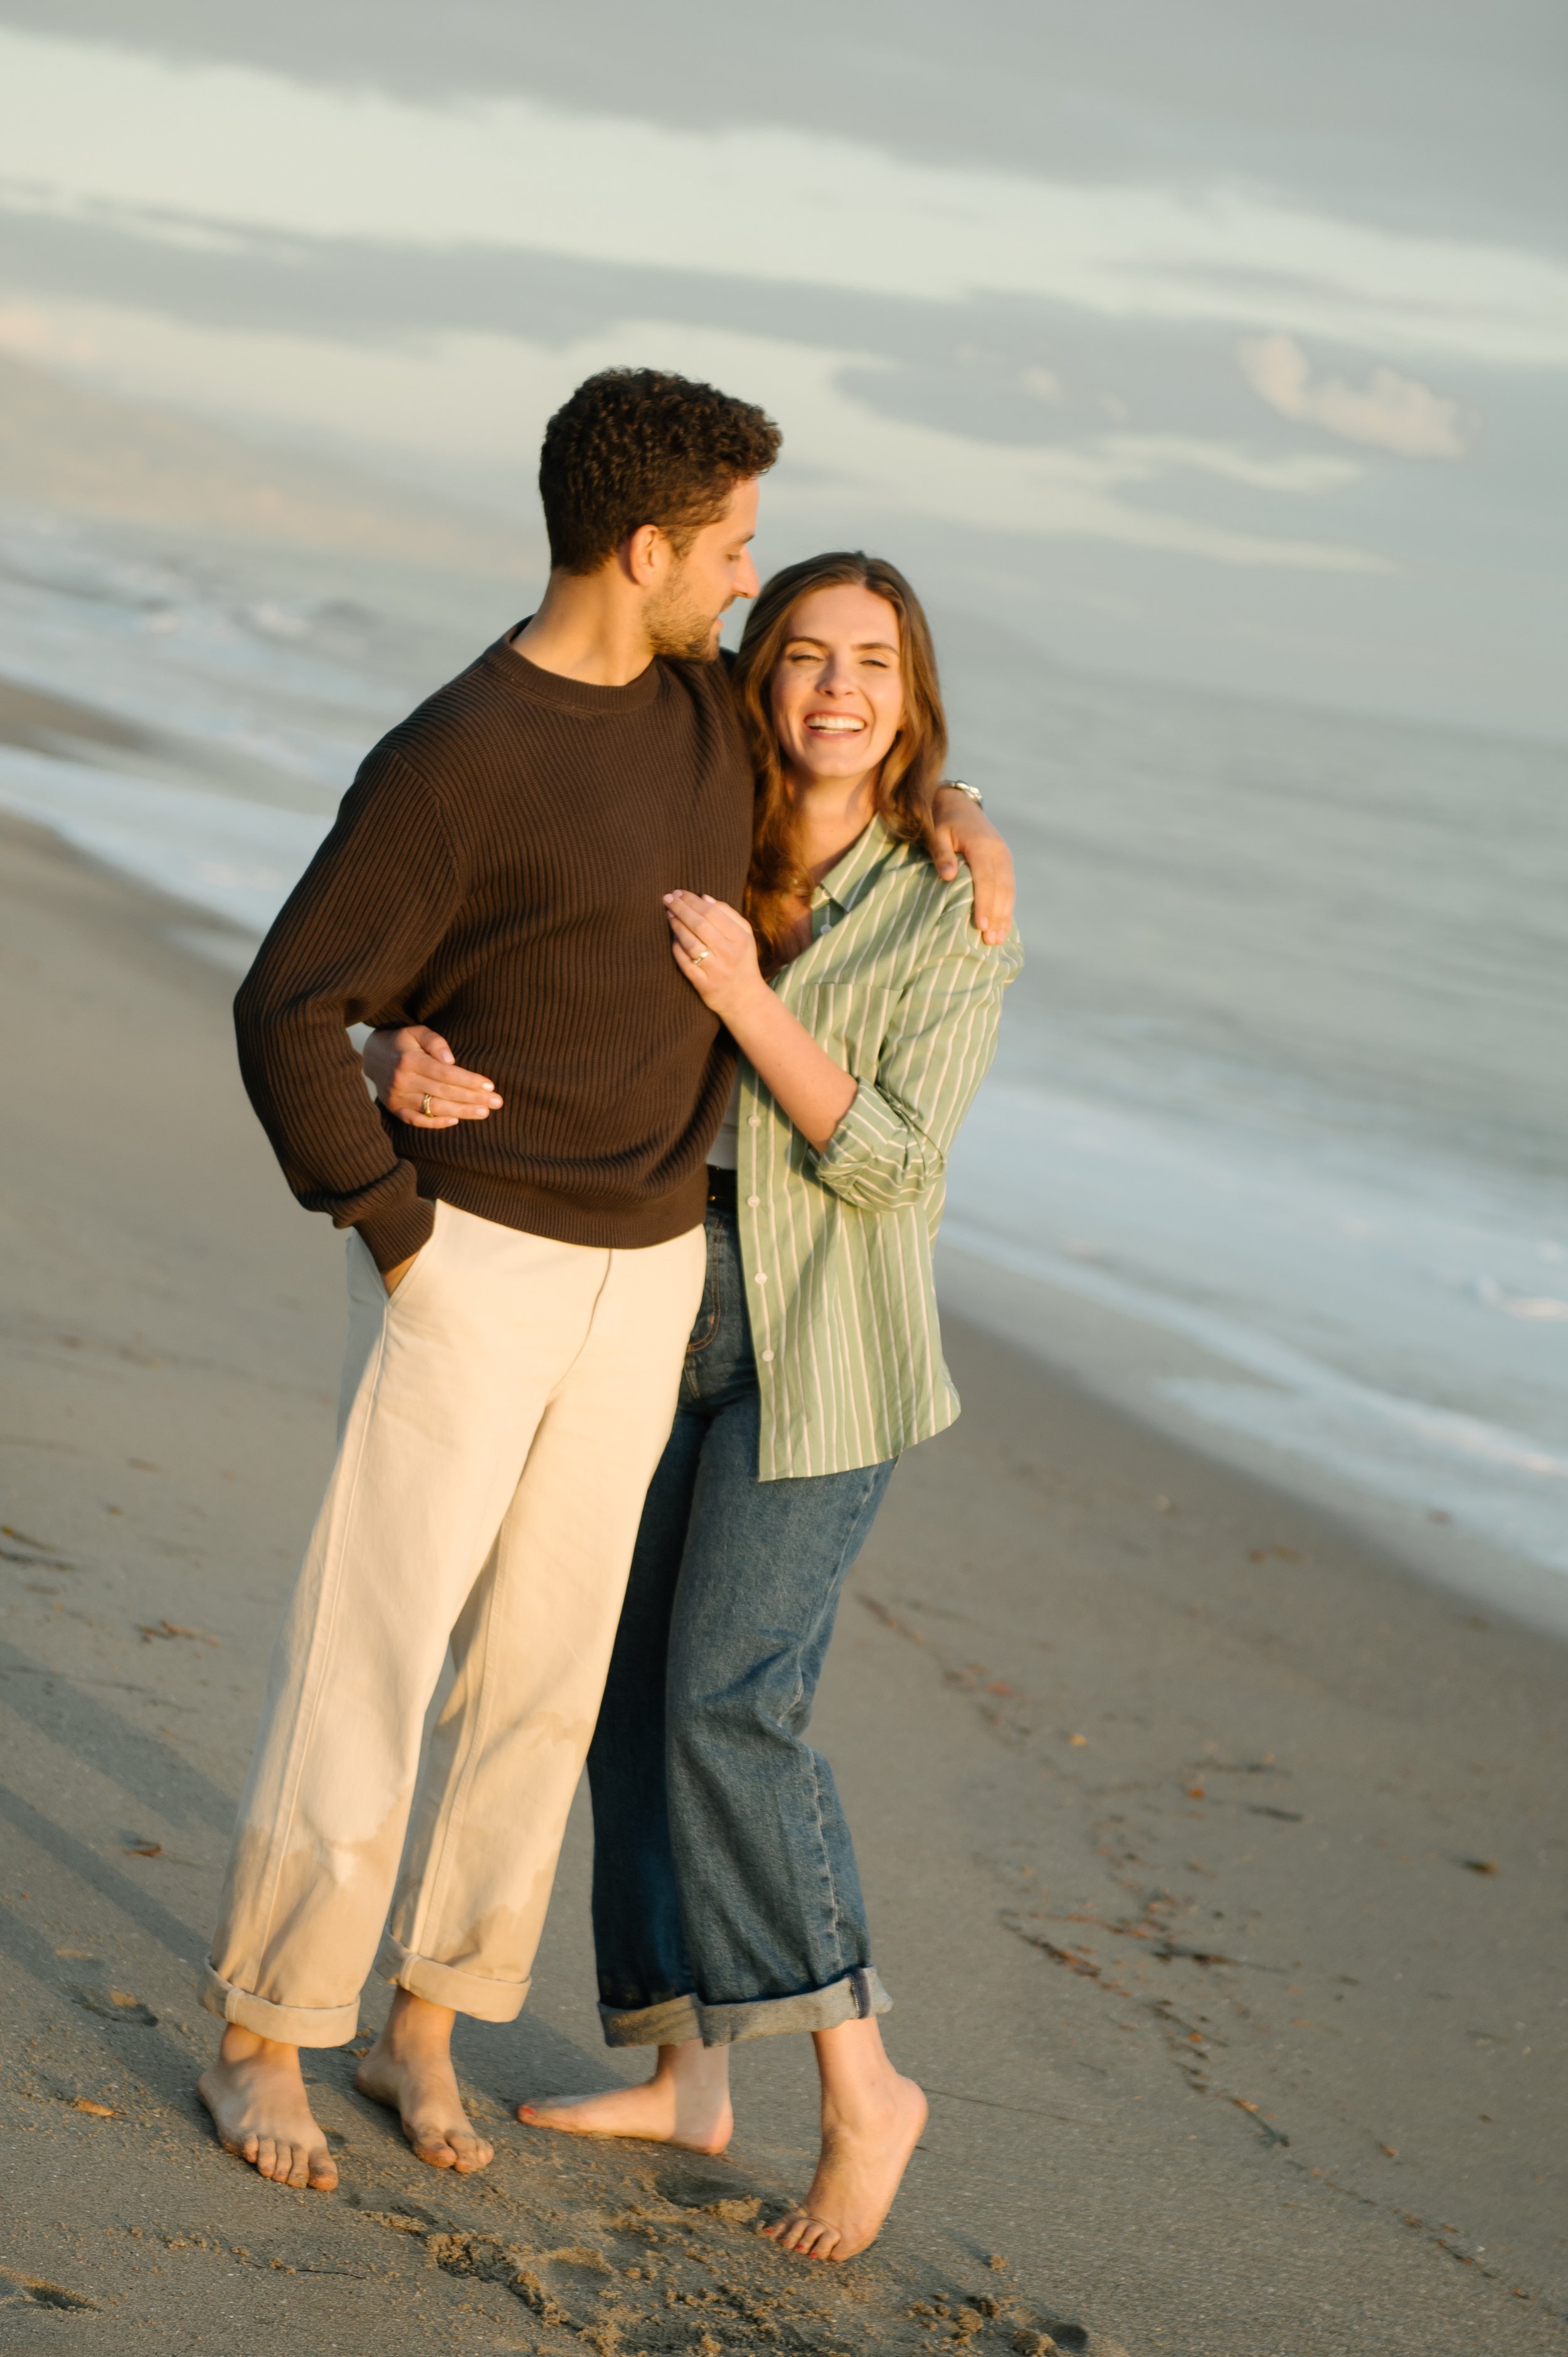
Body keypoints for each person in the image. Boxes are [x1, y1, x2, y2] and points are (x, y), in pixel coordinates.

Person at [199, 369, 1013, 2196]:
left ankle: (432, 2020)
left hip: (650, 1276)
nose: (744, 586)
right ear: (643, 546)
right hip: (469, 1259)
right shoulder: (454, 755)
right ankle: (269, 2028)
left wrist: (960, 809)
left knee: (547, 1682)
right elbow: (286, 1002)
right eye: (726, 552)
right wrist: (388, 1199)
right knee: (375, 1654)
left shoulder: (704, 725)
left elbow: (851, 744)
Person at [370, 553, 1021, 2259]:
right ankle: (686, 2070)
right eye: (801, 653)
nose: (832, 687)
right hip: (654, 1280)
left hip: (829, 1349)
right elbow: (536, 896)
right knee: (617, 1686)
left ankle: (866, 2088)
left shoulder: (945, 904)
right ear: (757, 678)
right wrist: (402, 1046)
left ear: (910, 688)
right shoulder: (702, 822)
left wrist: (750, 990)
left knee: (733, 1705)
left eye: (870, 663)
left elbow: (887, 1165)